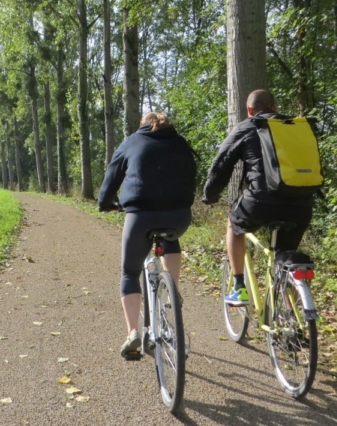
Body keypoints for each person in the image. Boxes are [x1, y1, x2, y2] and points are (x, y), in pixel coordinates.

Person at [98, 112, 196, 358]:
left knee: (130, 272)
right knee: (170, 237)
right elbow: (191, 176)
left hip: (141, 216)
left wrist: (105, 203)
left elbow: (112, 175)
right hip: (179, 216)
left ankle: (133, 333)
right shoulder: (181, 142)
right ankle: (172, 289)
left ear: (142, 125)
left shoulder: (132, 141)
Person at [202, 89, 314, 305]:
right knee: (286, 256)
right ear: (275, 107)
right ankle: (291, 316)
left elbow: (221, 164)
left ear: (249, 110)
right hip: (302, 204)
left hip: (260, 201)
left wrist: (210, 195)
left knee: (234, 226)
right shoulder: (297, 128)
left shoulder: (248, 126)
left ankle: (239, 287)